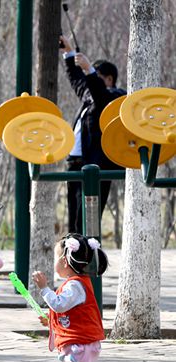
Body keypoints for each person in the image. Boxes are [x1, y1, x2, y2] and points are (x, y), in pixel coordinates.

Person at [31, 233, 108, 362]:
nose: (54, 262)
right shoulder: (77, 283)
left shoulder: (74, 284)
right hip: (83, 345)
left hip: (79, 345)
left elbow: (58, 303)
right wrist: (52, 321)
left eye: (55, 257)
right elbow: (69, 312)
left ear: (64, 261)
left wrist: (43, 289)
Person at [59, 35, 125, 234]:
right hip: (75, 162)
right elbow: (78, 81)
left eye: (97, 76)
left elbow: (100, 95)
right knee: (74, 222)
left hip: (95, 165)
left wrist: (89, 69)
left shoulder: (116, 97)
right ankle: (73, 259)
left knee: (88, 220)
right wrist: (69, 53)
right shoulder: (91, 96)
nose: (91, 80)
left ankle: (89, 260)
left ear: (109, 79)